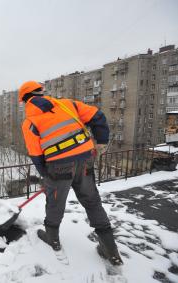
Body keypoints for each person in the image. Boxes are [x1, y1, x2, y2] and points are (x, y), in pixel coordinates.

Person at [19, 80, 123, 265]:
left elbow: (36, 155)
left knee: (55, 202)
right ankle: (110, 250)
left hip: (58, 167)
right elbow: (97, 116)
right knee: (92, 202)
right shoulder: (68, 104)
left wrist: (46, 175)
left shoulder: (29, 123)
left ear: (24, 101)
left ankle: (52, 238)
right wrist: (101, 141)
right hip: (84, 160)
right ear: (41, 93)